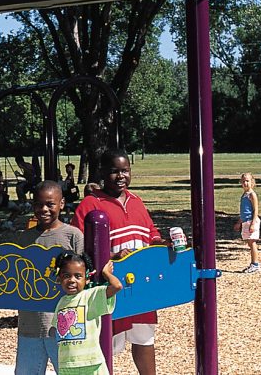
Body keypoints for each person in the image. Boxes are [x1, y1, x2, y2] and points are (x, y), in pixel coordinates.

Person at [72, 149, 168, 375]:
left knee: (144, 337)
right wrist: (109, 257)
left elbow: (150, 233)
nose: (121, 176)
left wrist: (161, 242)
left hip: (141, 286)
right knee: (106, 343)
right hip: (109, 288)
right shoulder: (90, 204)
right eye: (114, 171)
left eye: (125, 170)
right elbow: (77, 246)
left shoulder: (136, 201)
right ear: (103, 173)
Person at [14, 180, 84, 375]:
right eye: (38, 204)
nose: (43, 209)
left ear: (61, 204)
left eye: (50, 204)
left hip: (63, 325)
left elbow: (82, 279)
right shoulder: (24, 239)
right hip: (29, 324)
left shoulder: (73, 236)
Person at [53, 252, 122, 375]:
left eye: (78, 276)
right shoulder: (61, 303)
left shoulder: (90, 297)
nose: (71, 280)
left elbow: (117, 286)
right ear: (59, 278)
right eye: (66, 275)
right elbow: (56, 329)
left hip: (92, 363)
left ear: (87, 279)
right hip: (67, 364)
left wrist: (107, 274)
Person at [234, 172, 261, 273]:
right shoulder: (244, 195)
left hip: (251, 221)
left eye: (247, 181)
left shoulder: (252, 195)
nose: (245, 183)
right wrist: (239, 222)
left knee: (252, 242)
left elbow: (255, 210)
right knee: (249, 242)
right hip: (246, 221)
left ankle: (255, 264)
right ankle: (253, 263)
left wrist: (253, 223)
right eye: (243, 181)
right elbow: (244, 212)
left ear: (252, 182)